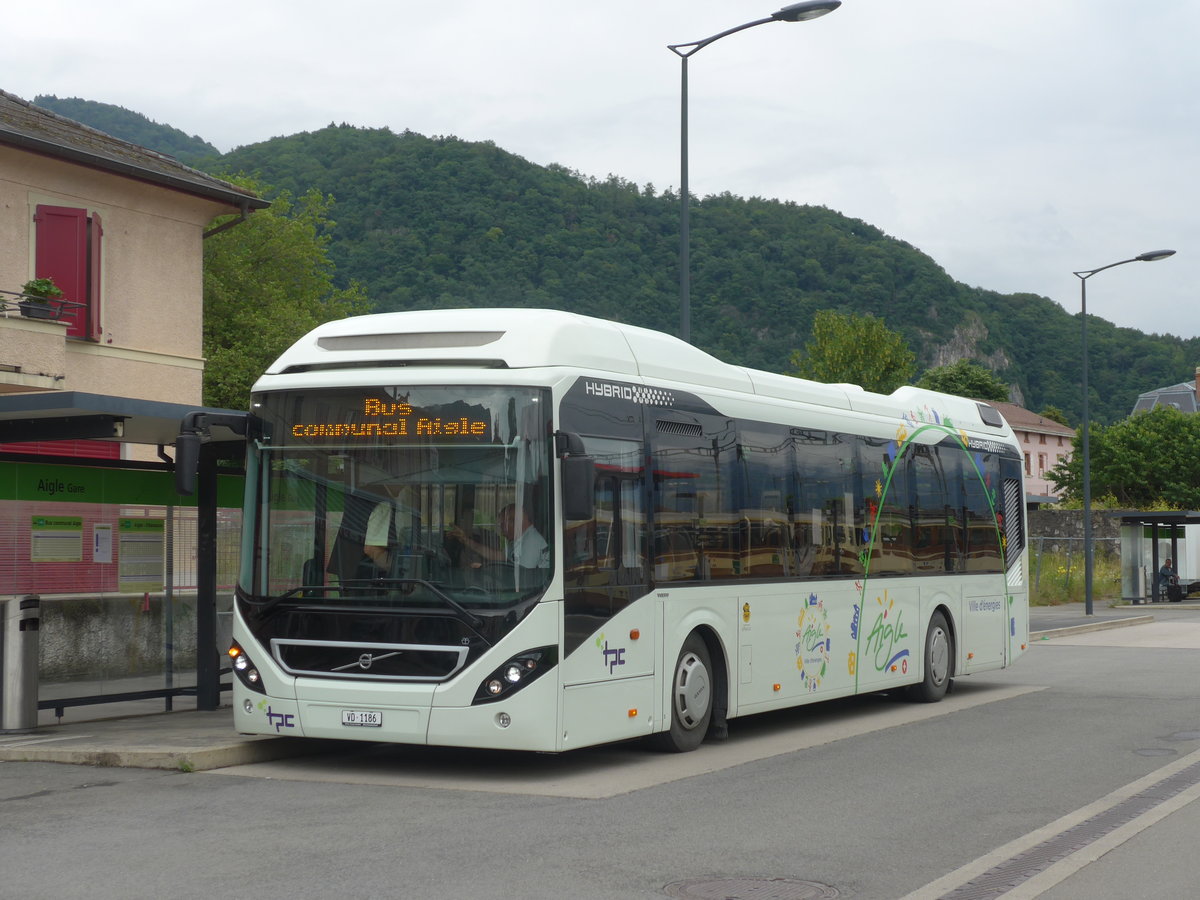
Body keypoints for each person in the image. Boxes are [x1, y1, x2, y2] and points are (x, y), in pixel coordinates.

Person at [450, 503, 548, 569]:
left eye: (502, 525)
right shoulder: (520, 539)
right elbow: (496, 555)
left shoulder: (531, 542)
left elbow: (521, 577)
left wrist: (484, 568)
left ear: (514, 522)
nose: (501, 533)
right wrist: (465, 540)